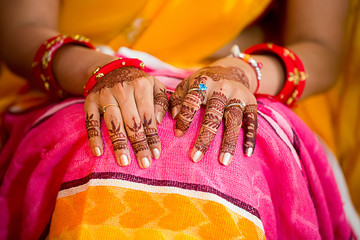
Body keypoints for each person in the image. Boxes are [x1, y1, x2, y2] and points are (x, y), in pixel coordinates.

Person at [0, 0, 357, 239]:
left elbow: (320, 47)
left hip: (236, 74)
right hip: (69, 73)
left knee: (225, 149)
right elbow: (21, 27)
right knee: (106, 144)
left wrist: (242, 74)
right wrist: (98, 71)